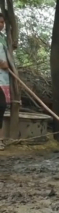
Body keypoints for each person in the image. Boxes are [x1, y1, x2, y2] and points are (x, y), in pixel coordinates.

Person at [0, 13, 11, 150]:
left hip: (3, 78)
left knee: (1, 109)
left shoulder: (3, 39)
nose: (1, 25)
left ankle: (1, 139)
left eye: (2, 22)